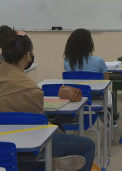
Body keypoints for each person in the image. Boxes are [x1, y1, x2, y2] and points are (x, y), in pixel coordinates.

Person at [0, 30, 95, 171]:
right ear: (27, 55)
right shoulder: (31, 90)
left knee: (58, 127)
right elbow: (40, 130)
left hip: (4, 148)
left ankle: (52, 162)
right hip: (25, 147)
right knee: (88, 145)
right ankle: (48, 163)